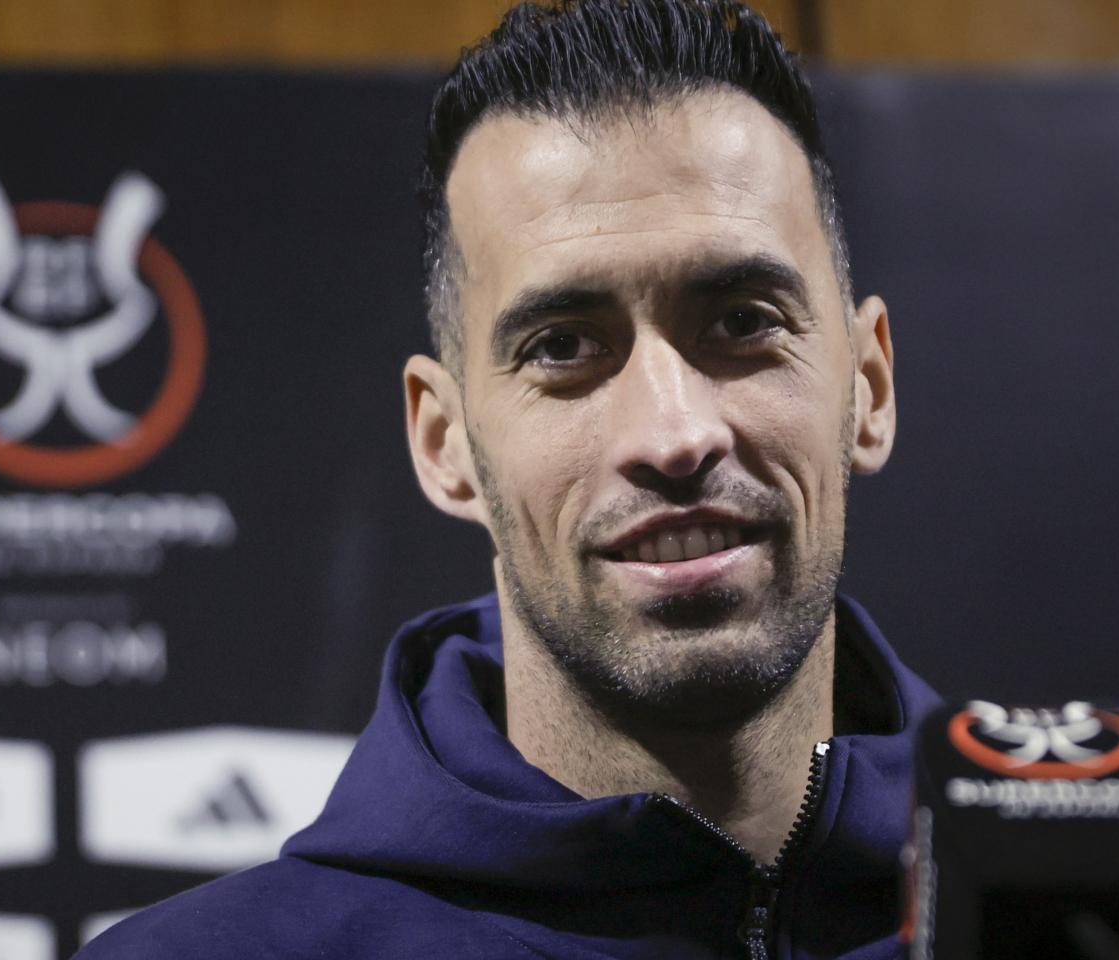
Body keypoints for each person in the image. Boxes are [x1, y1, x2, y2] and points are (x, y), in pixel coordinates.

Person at [80, 1, 936, 957]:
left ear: (869, 385)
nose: (675, 433)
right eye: (562, 347)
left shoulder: (1061, 910)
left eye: (743, 323)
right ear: (444, 443)